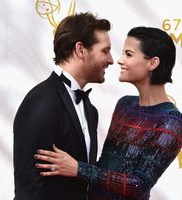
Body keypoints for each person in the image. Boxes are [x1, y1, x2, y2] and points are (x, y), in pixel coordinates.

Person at [34, 26, 182, 200]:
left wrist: (78, 168)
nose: (119, 60)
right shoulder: (124, 104)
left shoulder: (172, 121)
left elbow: (138, 186)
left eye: (128, 54)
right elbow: (104, 166)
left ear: (153, 63)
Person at [13, 12, 114, 200]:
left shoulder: (91, 111)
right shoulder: (41, 101)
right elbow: (29, 190)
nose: (111, 60)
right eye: (105, 51)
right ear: (80, 50)